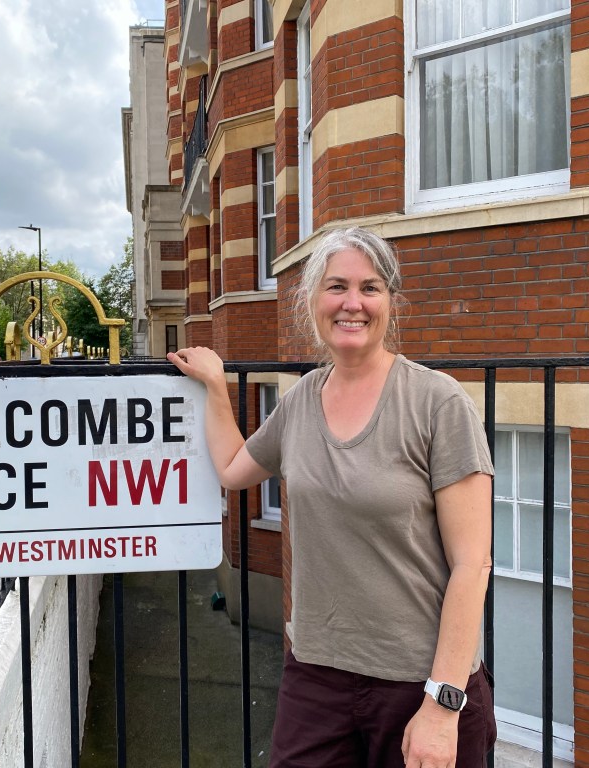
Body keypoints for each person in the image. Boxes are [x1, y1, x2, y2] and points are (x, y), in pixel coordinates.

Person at [168, 227, 496, 768]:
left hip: (420, 682)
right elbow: (232, 470)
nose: (352, 303)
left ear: (390, 301)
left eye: (370, 288)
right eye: (336, 286)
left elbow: (472, 563)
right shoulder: (299, 403)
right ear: (313, 301)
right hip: (316, 675)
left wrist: (442, 705)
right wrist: (215, 385)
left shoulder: (437, 403)